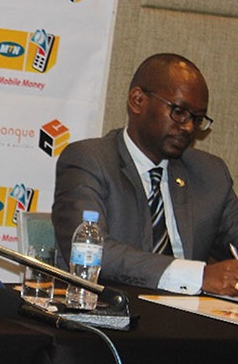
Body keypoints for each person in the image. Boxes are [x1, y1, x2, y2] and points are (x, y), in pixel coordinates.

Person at [52, 53, 238, 295]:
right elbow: (93, 251)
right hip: (117, 316)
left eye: (197, 118)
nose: (189, 127)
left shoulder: (210, 173)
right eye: (179, 111)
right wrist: (199, 276)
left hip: (196, 320)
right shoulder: (89, 160)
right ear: (137, 100)